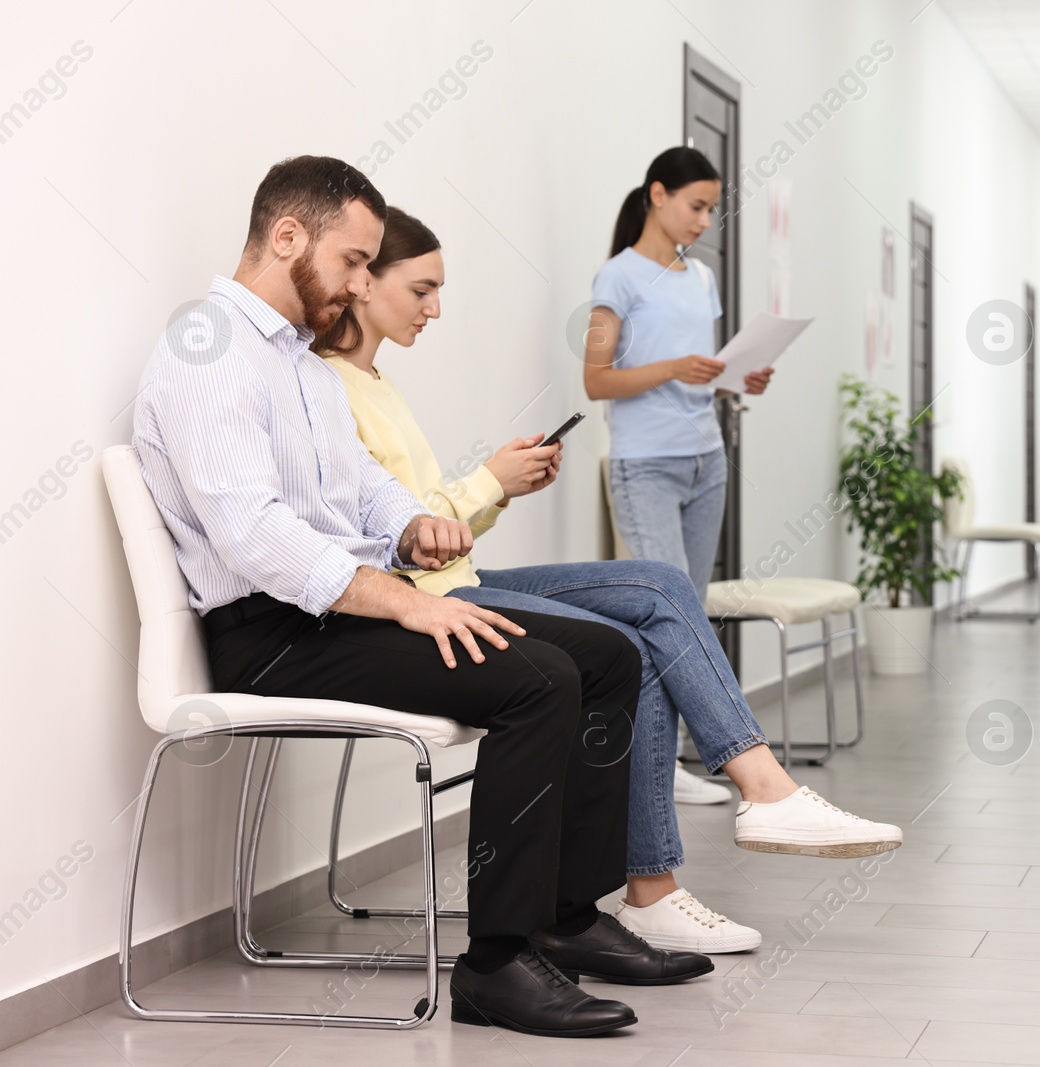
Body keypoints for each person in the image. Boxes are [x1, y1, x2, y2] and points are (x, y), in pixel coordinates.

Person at [132, 156, 716, 1039]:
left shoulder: (300, 365)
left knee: (605, 656)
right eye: (355, 262)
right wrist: (406, 600)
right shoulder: (207, 351)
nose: (362, 283)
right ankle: (495, 964)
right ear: (287, 237)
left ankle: (566, 913)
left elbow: (359, 487)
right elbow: (253, 534)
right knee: (537, 678)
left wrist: (413, 527)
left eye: (370, 265)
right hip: (268, 631)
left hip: (331, 608)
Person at [313, 207, 902, 956]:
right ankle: (700, 846)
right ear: (364, 284)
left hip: (454, 576)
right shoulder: (327, 388)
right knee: (633, 630)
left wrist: (498, 489)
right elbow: (379, 545)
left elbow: (428, 533)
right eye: (422, 289)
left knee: (655, 584)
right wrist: (486, 482)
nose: (436, 308)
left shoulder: (376, 381)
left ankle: (736, 814)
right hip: (422, 605)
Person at [582, 146, 773, 602]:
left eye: (710, 210)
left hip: (707, 462)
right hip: (647, 466)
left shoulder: (703, 278)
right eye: (697, 207)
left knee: (695, 604)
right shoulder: (617, 277)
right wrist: (671, 368)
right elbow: (596, 381)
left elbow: (698, 381)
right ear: (659, 194)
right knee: (672, 605)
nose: (705, 221)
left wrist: (737, 382)